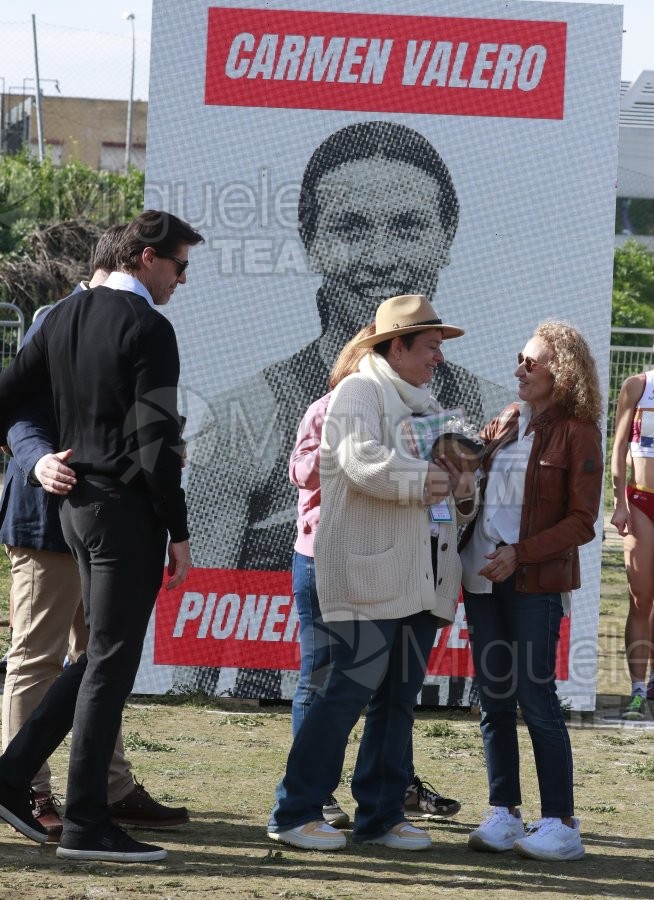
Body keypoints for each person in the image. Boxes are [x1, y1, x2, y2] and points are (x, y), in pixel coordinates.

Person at [177, 119, 513, 699]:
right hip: (306, 678)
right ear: (310, 242)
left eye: (408, 227)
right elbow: (195, 650)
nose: (381, 256)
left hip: (423, 651)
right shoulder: (247, 417)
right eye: (350, 228)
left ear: (446, 235)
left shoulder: (485, 408)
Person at [0, 209, 203, 863]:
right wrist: (178, 528)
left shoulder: (59, 317)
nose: (181, 279)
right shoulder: (148, 325)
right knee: (108, 664)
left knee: (96, 661)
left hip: (75, 511)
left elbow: (6, 398)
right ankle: (86, 823)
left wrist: (41, 457)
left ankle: (9, 779)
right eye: (178, 265)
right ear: (146, 257)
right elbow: (155, 445)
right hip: (123, 514)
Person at [267, 294, 475, 852]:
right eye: (431, 346)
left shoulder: (425, 401)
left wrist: (461, 485)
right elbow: (359, 461)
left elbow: (447, 495)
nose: (439, 357)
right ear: (397, 345)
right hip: (368, 572)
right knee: (347, 691)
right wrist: (433, 478)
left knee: (398, 697)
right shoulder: (359, 390)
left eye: (439, 347)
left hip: (420, 575)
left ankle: (381, 815)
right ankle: (295, 811)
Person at [460, 321, 603, 862]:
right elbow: (475, 493)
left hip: (534, 581)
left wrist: (521, 553)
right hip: (480, 577)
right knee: (493, 699)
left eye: (531, 362)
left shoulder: (580, 430)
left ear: (559, 371)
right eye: (519, 358)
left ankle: (562, 823)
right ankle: (504, 811)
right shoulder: (505, 420)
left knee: (535, 697)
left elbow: (583, 522)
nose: (519, 368)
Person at [610, 370, 654, 719]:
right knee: (640, 598)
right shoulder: (638, 385)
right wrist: (619, 501)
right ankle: (637, 691)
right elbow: (620, 444)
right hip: (641, 501)